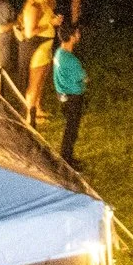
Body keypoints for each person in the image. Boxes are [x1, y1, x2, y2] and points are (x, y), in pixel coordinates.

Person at [51, 28, 86, 166]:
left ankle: (66, 156)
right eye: (77, 33)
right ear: (71, 37)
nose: (79, 35)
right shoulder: (72, 61)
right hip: (74, 97)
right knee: (71, 130)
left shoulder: (59, 53)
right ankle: (67, 159)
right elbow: (82, 78)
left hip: (63, 96)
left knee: (69, 128)